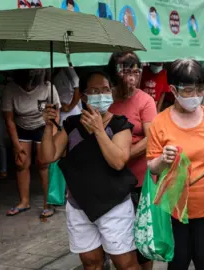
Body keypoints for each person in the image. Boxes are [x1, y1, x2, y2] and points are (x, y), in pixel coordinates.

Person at [40, 71, 139, 270]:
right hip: (79, 206)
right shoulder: (72, 125)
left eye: (105, 90)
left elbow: (118, 161)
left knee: (125, 264)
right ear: (84, 96)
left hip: (115, 207)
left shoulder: (120, 125)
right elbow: (48, 157)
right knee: (91, 263)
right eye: (95, 91)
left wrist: (99, 131)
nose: (101, 95)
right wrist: (48, 126)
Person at [147, 59, 204, 270]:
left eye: (200, 89)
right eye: (188, 90)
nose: (196, 96)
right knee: (178, 261)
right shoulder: (160, 122)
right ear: (173, 90)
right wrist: (162, 160)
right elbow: (152, 167)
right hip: (174, 208)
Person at [107, 52, 157, 269]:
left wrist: (124, 154)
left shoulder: (145, 100)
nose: (133, 77)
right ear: (115, 73)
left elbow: (151, 138)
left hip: (137, 180)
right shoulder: (105, 98)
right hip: (109, 178)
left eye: (136, 71)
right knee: (117, 237)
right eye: (127, 70)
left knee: (143, 240)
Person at [2, 69, 60, 218]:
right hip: (21, 127)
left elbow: (56, 115)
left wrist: (52, 139)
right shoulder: (10, 89)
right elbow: (9, 119)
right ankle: (24, 201)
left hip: (43, 126)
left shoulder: (48, 87)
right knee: (21, 164)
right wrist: (17, 146)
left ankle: (48, 202)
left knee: (44, 163)